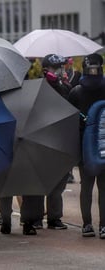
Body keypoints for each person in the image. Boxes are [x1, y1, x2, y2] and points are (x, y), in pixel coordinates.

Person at [21, 54, 72, 235]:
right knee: (35, 183)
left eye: (61, 67)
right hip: (38, 141)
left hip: (59, 140)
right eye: (56, 67)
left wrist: (61, 84)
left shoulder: (65, 87)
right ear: (46, 69)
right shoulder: (36, 87)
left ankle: (54, 217)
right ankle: (33, 219)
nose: (60, 70)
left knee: (57, 183)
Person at [68, 53, 105, 239]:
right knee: (89, 187)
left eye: (95, 68)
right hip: (89, 146)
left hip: (98, 144)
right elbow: (69, 122)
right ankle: (88, 224)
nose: (93, 71)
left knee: (97, 187)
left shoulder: (77, 91)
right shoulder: (76, 92)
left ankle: (97, 224)